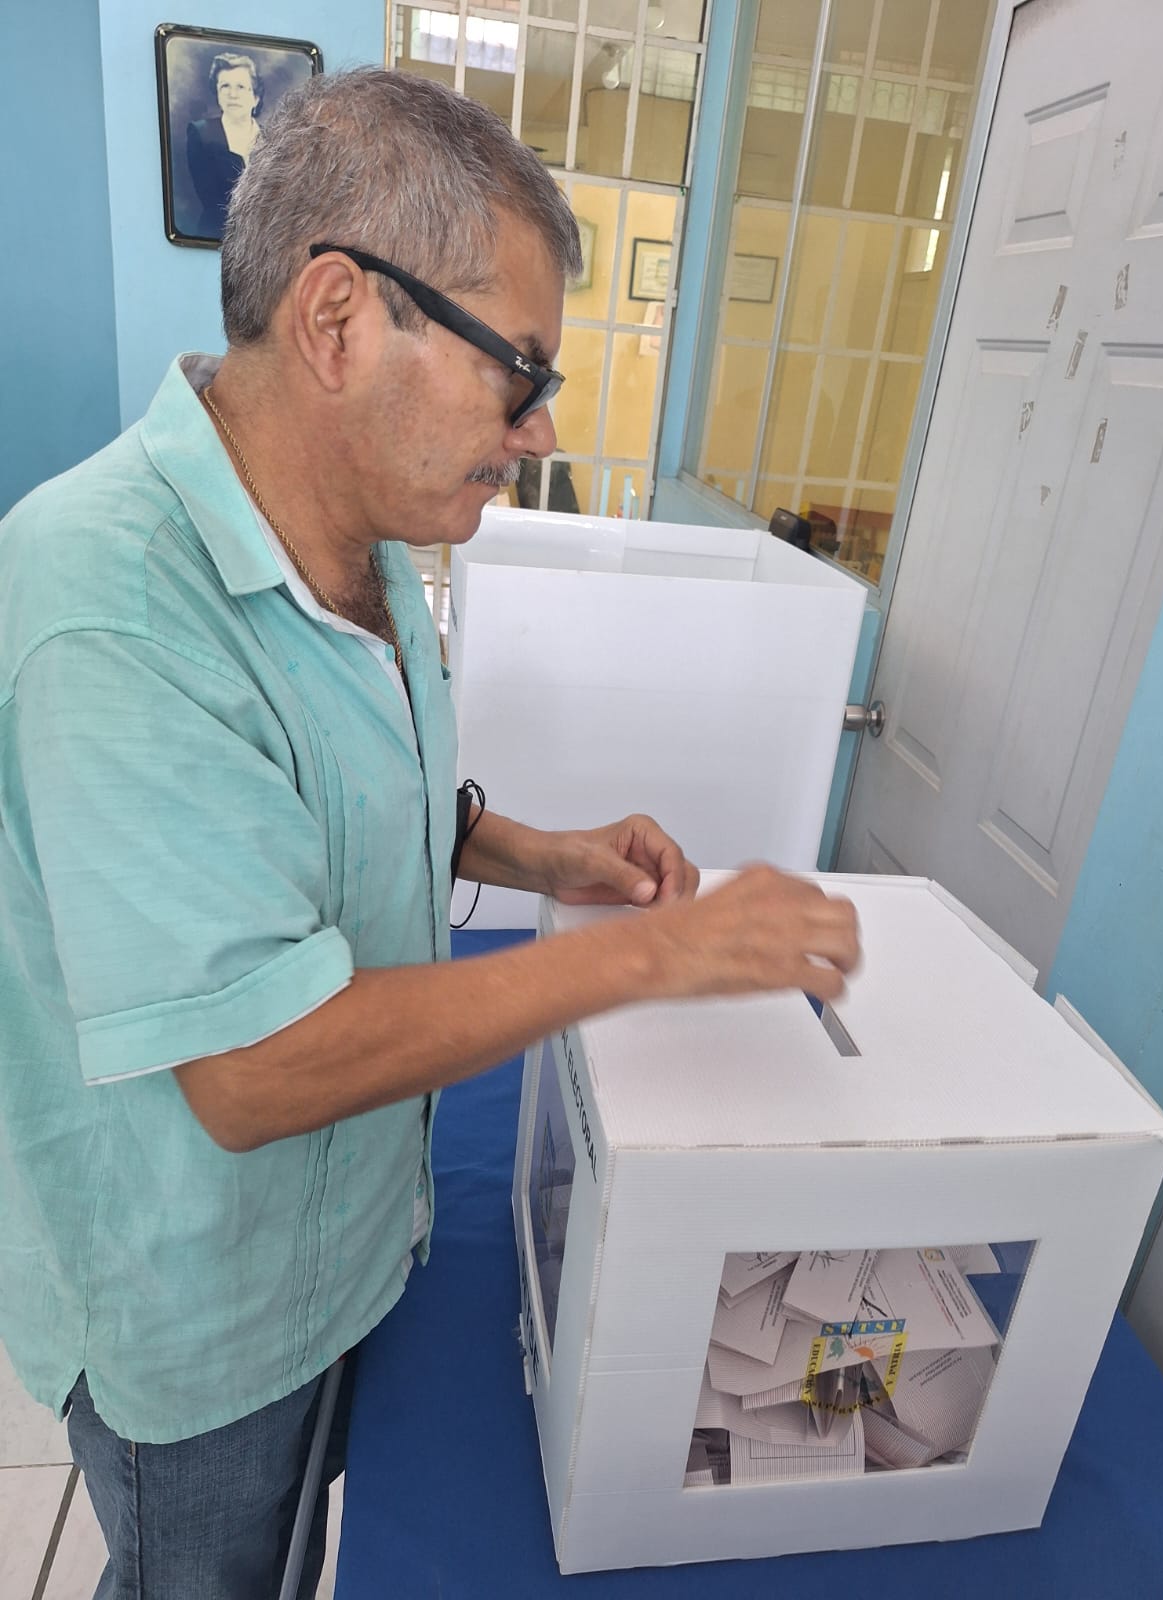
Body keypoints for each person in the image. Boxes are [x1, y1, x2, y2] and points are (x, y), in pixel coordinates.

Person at [0, 68, 860, 1600]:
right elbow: (255, 1070)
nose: (540, 427)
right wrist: (655, 957)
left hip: (355, 1233)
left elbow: (342, 795)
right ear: (338, 321)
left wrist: (538, 854)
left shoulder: (373, 545)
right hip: (202, 1305)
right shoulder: (109, 610)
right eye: (517, 371)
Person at [186, 50, 262, 239]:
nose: (232, 95)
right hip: (217, 237)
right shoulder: (200, 133)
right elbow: (210, 199)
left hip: (265, 242)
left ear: (255, 97)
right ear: (218, 94)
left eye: (241, 87)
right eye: (225, 86)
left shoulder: (274, 139)